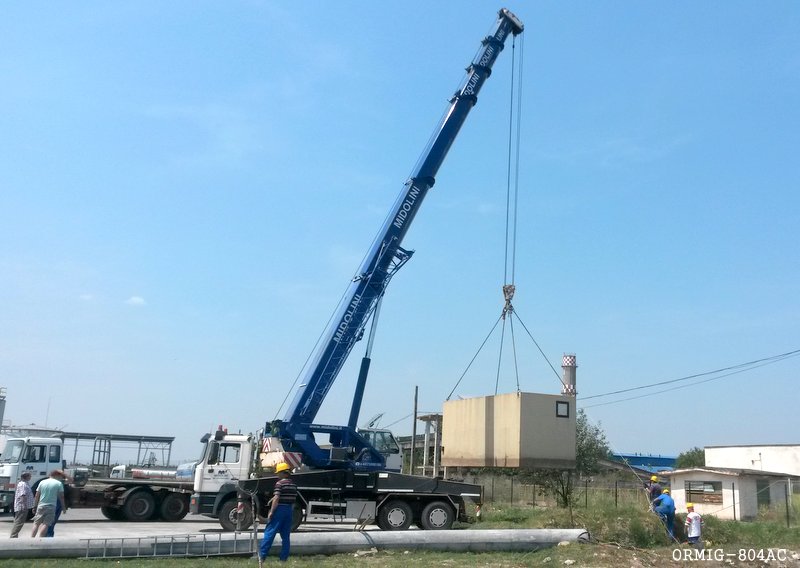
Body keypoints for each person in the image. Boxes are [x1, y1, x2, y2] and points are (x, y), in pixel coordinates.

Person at [259, 463, 297, 566]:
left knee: (269, 533)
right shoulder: (293, 485)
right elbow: (293, 501)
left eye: (278, 473)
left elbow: (276, 498)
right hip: (289, 510)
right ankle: (283, 559)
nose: (277, 475)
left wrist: (271, 512)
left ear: (283, 473)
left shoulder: (279, 484)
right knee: (285, 536)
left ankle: (261, 557)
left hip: (279, 509)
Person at [30, 470, 67, 538]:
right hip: (51, 506)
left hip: (41, 505)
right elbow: (61, 497)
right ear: (57, 475)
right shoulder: (58, 483)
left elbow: (37, 495)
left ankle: (32, 538)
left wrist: (34, 506)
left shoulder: (42, 482)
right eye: (60, 477)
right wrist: (63, 507)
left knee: (36, 523)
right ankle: (40, 539)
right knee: (46, 524)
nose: (60, 478)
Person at [9, 472, 34, 538]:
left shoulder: (25, 484)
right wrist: (24, 506)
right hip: (22, 507)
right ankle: (13, 536)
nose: (30, 477)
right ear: (26, 477)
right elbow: (23, 495)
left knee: (18, 521)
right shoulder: (23, 484)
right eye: (29, 476)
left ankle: (14, 535)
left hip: (22, 506)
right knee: (19, 522)